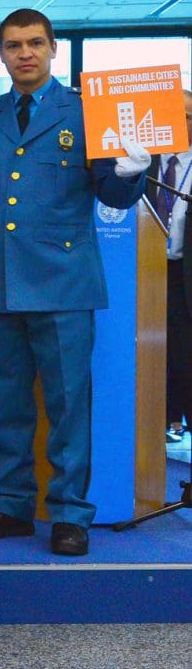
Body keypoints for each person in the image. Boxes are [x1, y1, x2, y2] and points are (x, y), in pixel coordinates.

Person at [0, 9, 149, 557]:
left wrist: (130, 171)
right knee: (1, 401)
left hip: (64, 283)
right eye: (13, 45)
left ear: (54, 48)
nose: (25, 53)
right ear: (0, 54)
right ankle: (11, 503)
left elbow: (110, 193)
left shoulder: (87, 114)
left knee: (68, 403)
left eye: (35, 43)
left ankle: (69, 513)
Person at [155, 90, 192, 443]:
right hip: (142, 275)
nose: (180, 123)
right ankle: (157, 422)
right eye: (174, 115)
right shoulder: (142, 164)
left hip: (183, 276)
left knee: (183, 357)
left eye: (189, 116)